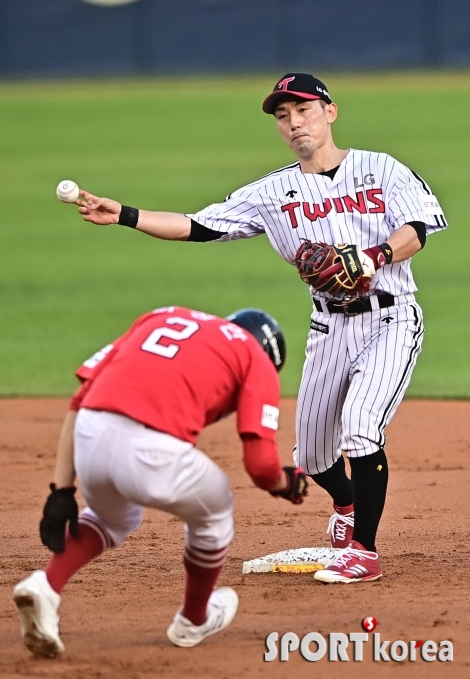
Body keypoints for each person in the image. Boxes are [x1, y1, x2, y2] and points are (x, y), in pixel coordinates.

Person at [71, 73, 447, 583]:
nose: (295, 123)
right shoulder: (273, 192)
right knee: (313, 457)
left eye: (304, 110)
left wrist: (372, 256)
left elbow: (419, 228)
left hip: (391, 316)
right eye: (283, 116)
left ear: (330, 112)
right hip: (329, 328)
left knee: (360, 427)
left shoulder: (382, 170)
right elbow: (198, 225)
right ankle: (347, 504)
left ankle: (364, 551)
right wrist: (125, 215)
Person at [13, 306, 308, 658]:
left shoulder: (162, 316)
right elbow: (260, 465)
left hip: (89, 432)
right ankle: (193, 619)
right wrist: (284, 484)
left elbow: (81, 399)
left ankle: (43, 587)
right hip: (153, 450)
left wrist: (61, 490)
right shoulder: (255, 359)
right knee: (215, 512)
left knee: (111, 517)